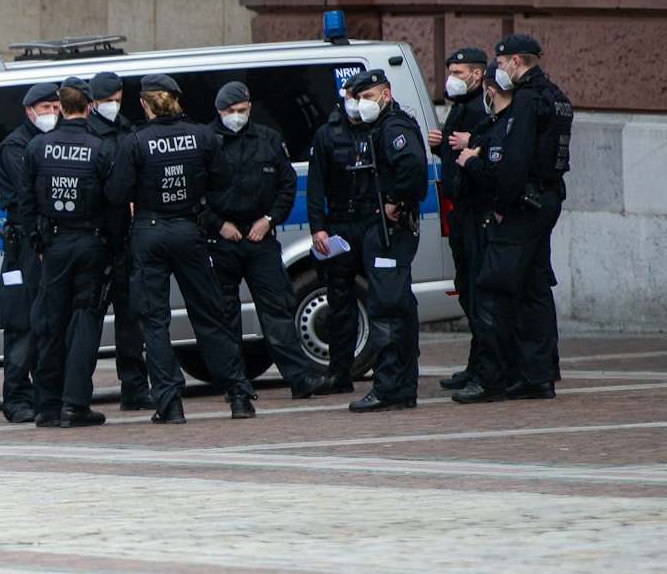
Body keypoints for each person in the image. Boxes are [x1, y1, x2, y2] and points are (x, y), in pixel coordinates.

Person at [108, 73, 253, 424]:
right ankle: (238, 396)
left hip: (149, 232)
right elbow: (222, 181)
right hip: (190, 230)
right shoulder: (201, 135)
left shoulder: (135, 141)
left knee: (154, 322)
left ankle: (170, 404)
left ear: (145, 103)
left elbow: (115, 193)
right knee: (210, 314)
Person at [305, 68, 429, 413]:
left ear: (385, 95)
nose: (361, 104)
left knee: (387, 309)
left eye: (368, 97)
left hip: (388, 232)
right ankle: (401, 387)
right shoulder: (370, 129)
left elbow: (414, 168)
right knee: (394, 306)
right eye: (357, 98)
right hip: (366, 227)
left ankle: (390, 387)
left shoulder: (393, 127)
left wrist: (395, 201)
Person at [203, 80, 329, 400]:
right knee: (225, 316)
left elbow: (287, 186)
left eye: (242, 110)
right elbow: (195, 194)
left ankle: (300, 378)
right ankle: (236, 386)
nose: (237, 116)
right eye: (230, 112)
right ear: (219, 112)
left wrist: (270, 219)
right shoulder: (206, 141)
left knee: (278, 310)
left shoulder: (268, 139)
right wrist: (218, 225)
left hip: (261, 238)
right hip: (222, 241)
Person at [468, 33, 571, 401]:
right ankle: (538, 375)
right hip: (546, 200)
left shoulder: (527, 100)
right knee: (534, 288)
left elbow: (516, 160)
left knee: (494, 287)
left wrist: (500, 205)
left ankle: (490, 379)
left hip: (522, 205)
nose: (498, 69)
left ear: (515, 62)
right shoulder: (555, 96)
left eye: (499, 63)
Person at [23, 84, 117, 428]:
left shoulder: (37, 146)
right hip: (91, 244)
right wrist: (114, 246)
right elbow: (115, 203)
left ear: (60, 108)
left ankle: (47, 406)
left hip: (55, 247)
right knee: (84, 324)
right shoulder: (101, 148)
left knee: (49, 324)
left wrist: (41, 246)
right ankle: (75, 405)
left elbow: (26, 204)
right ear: (89, 107)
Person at [0, 82, 61, 424]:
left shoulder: (58, 141)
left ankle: (46, 394)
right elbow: (33, 193)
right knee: (21, 322)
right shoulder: (15, 146)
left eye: (55, 107)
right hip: (25, 246)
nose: (51, 114)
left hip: (53, 241)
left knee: (49, 320)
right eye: (45, 107)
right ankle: (17, 397)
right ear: (29, 110)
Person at [86, 70, 152, 411]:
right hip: (98, 239)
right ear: (93, 101)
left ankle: (135, 388)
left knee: (131, 319)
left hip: (126, 237)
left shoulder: (128, 129)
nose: (113, 105)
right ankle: (79, 390)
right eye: (107, 100)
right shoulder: (86, 132)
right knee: (88, 319)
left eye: (116, 99)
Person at [448, 63, 514, 401]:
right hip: (475, 217)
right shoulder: (492, 124)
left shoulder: (503, 125)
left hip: (489, 219)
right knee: (479, 297)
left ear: (488, 87)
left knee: (489, 302)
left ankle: (491, 378)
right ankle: (486, 372)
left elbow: (495, 175)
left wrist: (471, 160)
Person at [429, 47, 487, 390]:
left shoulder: (484, 106)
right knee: (466, 288)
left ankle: (485, 369)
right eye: (450, 71)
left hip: (476, 210)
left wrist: (473, 140)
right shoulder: (460, 107)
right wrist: (441, 145)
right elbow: (455, 151)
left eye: (459, 72)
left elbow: (494, 145)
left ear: (477, 75)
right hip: (460, 211)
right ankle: (475, 363)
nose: (452, 79)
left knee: (479, 292)